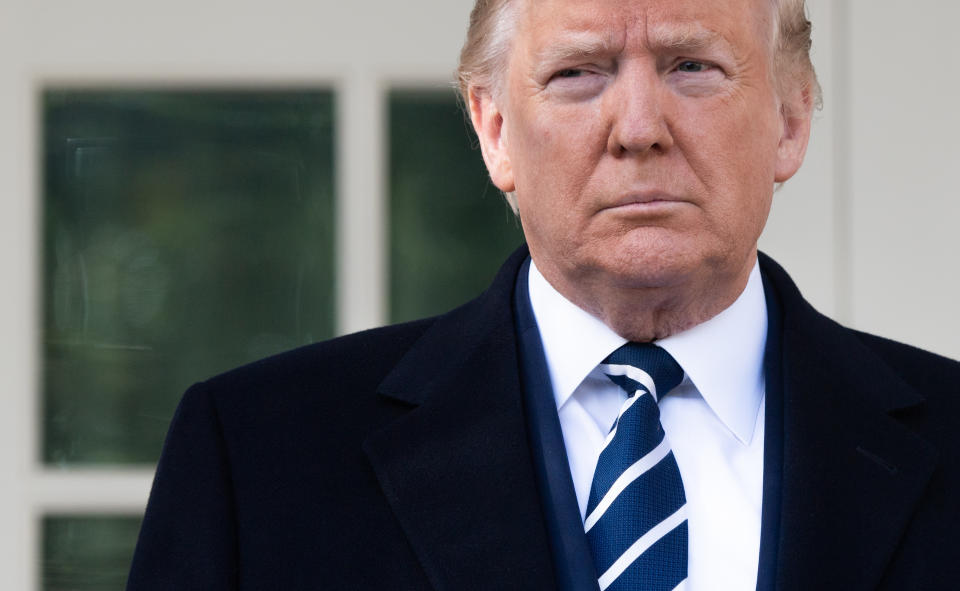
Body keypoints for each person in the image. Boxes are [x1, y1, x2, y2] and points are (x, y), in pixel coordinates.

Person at [126, 0, 960, 589]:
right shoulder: (258, 460)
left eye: (692, 66)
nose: (639, 127)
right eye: (578, 72)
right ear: (493, 129)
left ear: (791, 117)